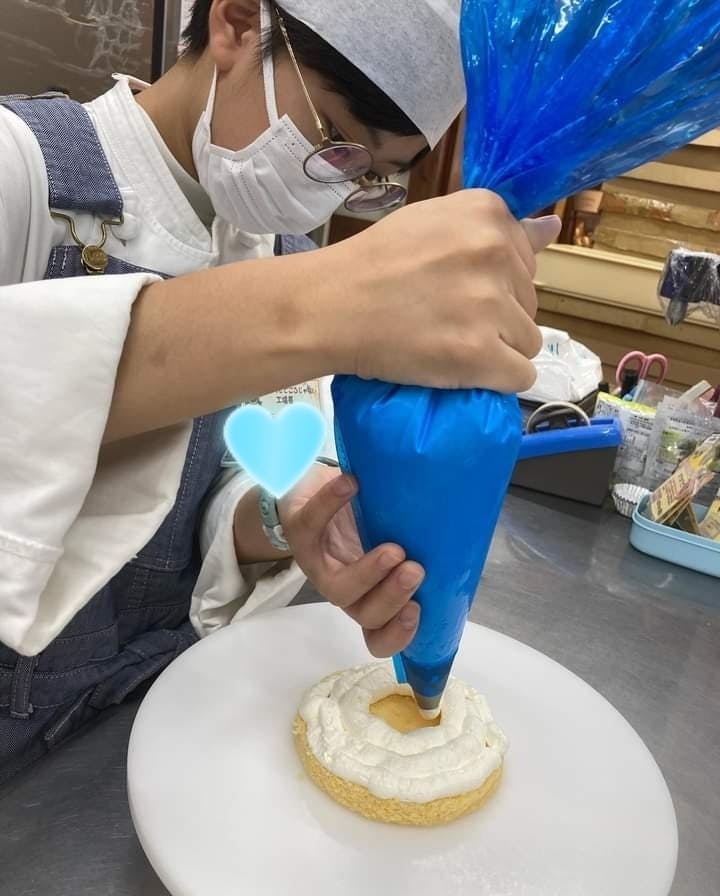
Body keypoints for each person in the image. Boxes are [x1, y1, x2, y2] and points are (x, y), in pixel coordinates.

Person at [0, 0, 560, 781]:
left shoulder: (284, 250)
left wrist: (283, 515)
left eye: (371, 177)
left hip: (150, 712)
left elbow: (226, 471)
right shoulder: (21, 167)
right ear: (234, 24)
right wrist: (318, 307)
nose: (334, 191)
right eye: (336, 141)